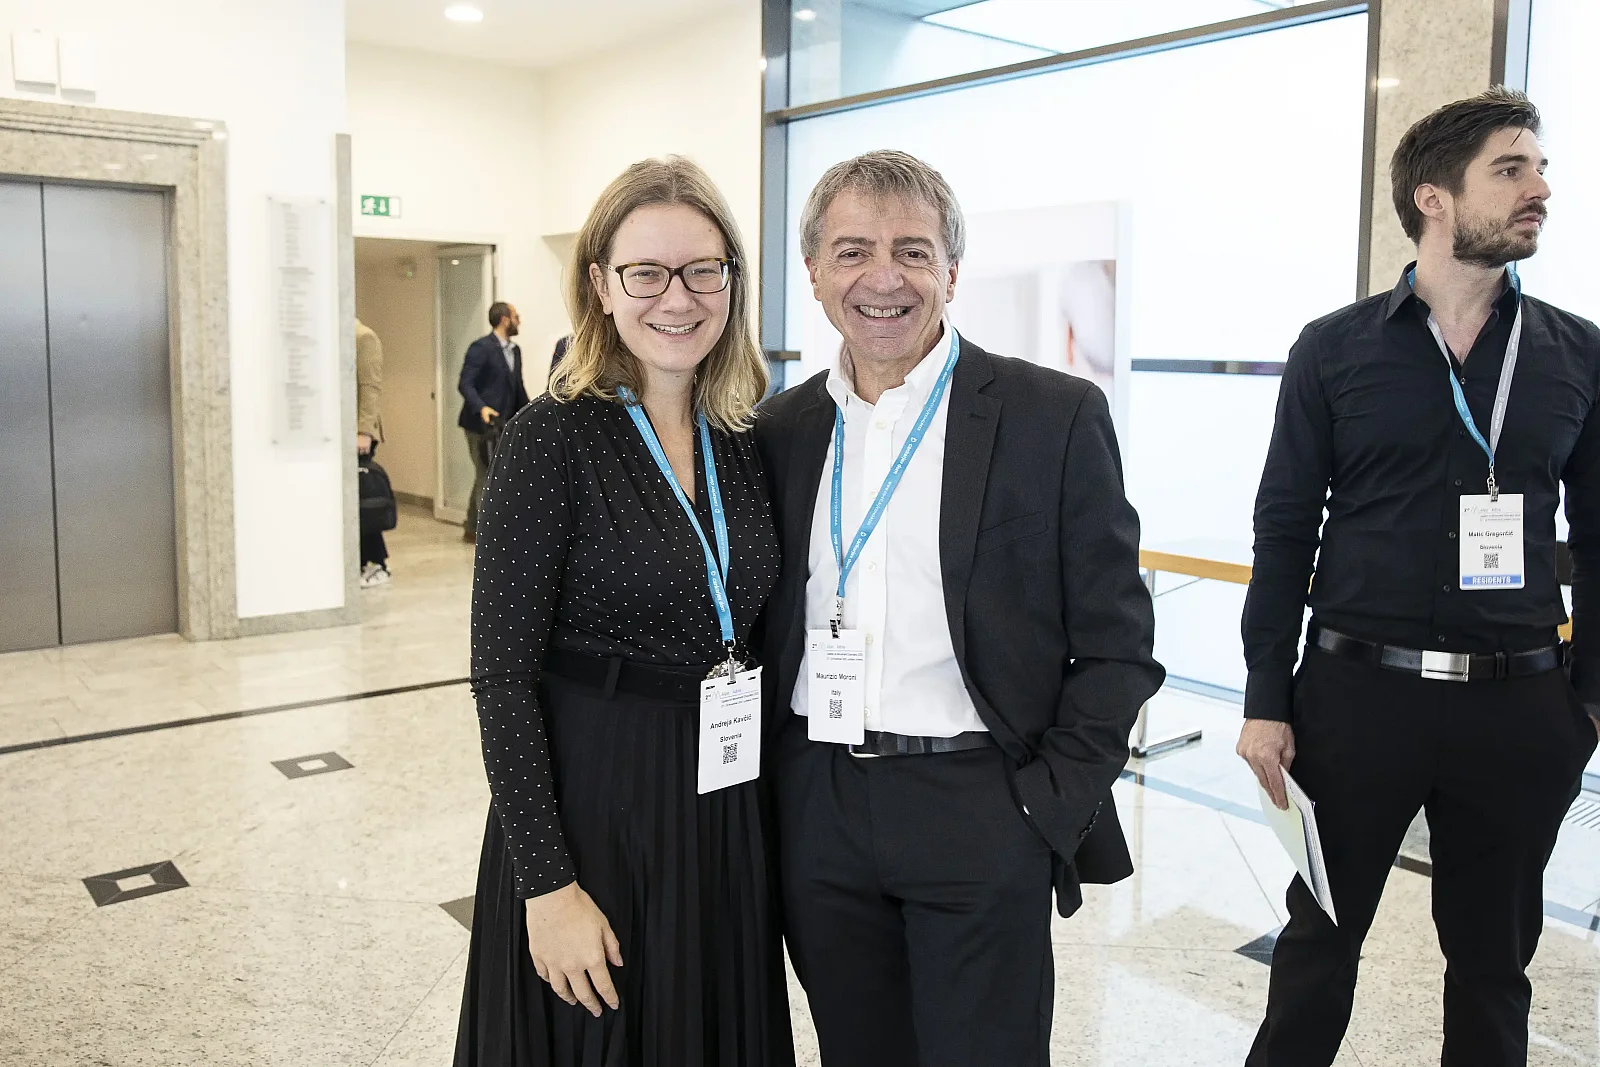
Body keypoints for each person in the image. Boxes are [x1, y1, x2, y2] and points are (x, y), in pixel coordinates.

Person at [754, 149, 1163, 1067]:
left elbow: (1119, 642)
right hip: (818, 803)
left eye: (913, 250)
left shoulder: (1051, 415)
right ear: (814, 273)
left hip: (980, 801)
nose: (884, 278)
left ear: (951, 272)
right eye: (853, 251)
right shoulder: (778, 431)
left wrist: (1043, 806)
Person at [1238, 87, 1600, 1067]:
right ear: (1434, 197)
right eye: (1510, 170)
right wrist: (1267, 697)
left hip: (1518, 705)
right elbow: (1284, 528)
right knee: (1317, 946)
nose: (1539, 190)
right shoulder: (1334, 347)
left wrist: (1586, 703)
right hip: (1355, 700)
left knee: (1493, 967)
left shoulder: (1576, 353)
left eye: (1541, 169)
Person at [454, 156, 793, 1067]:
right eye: (646, 272)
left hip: (720, 799)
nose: (677, 297)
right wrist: (547, 885)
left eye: (702, 269)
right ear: (600, 285)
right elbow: (500, 679)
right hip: (595, 805)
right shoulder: (550, 438)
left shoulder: (743, 435)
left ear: (732, 280)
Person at [458, 301, 530, 543]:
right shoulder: (481, 348)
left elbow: (518, 387)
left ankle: (471, 526)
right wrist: (482, 408)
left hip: (503, 424)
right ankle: (487, 536)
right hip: (479, 426)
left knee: (486, 474)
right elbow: (465, 383)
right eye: (516, 316)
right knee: (487, 475)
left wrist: (531, 414)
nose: (519, 320)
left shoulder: (515, 351)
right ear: (504, 320)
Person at [355, 318, 391, 587]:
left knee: (365, 500)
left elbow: (370, 386)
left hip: (358, 435)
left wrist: (364, 431)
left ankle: (377, 563)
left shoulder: (363, 337)